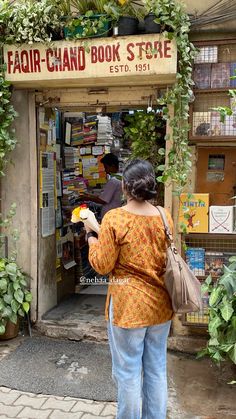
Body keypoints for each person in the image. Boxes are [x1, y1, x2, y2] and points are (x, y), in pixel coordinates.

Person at [85, 159, 174, 419]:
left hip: (127, 307)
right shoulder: (163, 215)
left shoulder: (115, 218)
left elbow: (102, 265)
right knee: (157, 368)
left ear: (124, 186)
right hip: (160, 304)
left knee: (128, 372)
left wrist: (92, 238)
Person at [81, 153, 122, 219]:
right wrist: (89, 195)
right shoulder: (120, 177)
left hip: (111, 216)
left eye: (106, 167)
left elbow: (102, 200)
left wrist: (87, 198)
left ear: (112, 165)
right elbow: (105, 196)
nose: (105, 170)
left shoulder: (114, 181)